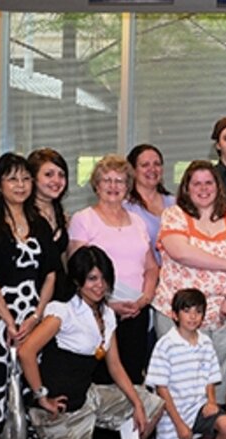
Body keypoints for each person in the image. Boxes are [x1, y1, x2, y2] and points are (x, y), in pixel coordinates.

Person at [17, 245, 163, 439]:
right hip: (60, 409)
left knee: (151, 404)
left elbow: (115, 366)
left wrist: (137, 404)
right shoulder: (63, 311)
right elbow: (26, 352)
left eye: (104, 278)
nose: (100, 285)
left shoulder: (107, 315)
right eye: (92, 278)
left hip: (87, 396)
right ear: (78, 281)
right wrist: (41, 396)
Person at [153, 159, 226, 402]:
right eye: (196, 183)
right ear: (186, 188)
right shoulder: (174, 215)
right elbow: (181, 252)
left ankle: (215, 421)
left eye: (209, 183)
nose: (203, 188)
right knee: (180, 379)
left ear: (218, 186)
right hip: (179, 312)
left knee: (221, 378)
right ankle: (180, 424)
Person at [0, 153, 58, 439]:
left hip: (31, 318)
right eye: (12, 179)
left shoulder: (40, 225)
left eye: (25, 178)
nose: (20, 185)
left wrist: (35, 317)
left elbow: (50, 275)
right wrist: (9, 322)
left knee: (24, 388)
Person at [68, 154, 159, 386]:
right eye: (106, 180)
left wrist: (144, 299)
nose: (113, 186)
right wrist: (107, 305)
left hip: (137, 312)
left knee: (133, 378)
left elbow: (151, 267)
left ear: (128, 187)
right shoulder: (83, 219)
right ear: (96, 185)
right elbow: (78, 272)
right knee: (102, 381)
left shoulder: (138, 221)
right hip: (99, 312)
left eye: (119, 181)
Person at [146, 288, 226, 439]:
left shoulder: (205, 342)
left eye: (198, 312)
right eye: (187, 311)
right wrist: (179, 424)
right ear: (175, 315)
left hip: (198, 408)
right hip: (173, 416)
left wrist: (211, 401)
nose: (193, 316)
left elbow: (210, 378)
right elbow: (161, 389)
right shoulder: (166, 345)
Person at [29, 147, 72, 301]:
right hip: (30, 295)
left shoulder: (62, 216)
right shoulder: (23, 216)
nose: (57, 181)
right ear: (33, 178)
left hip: (59, 296)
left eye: (61, 175)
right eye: (48, 175)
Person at [125, 143, 176, 265]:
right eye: (145, 165)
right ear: (133, 170)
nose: (152, 169)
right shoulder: (125, 207)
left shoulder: (175, 204)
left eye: (157, 164)